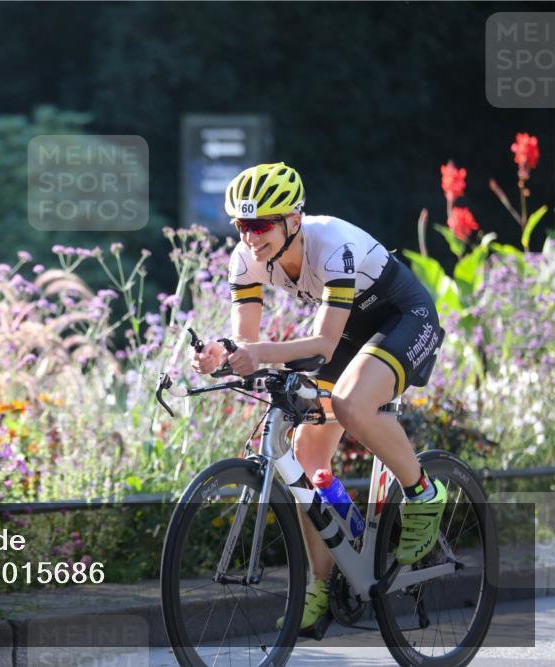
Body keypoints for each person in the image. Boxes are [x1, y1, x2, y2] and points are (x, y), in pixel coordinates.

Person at [191, 162, 447, 631]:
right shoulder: (245, 258)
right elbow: (244, 337)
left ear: (294, 218)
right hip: (349, 331)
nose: (251, 236)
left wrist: (254, 353)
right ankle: (323, 585)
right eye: (243, 225)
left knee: (350, 404)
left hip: (401, 317)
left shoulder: (332, 245)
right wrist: (220, 355)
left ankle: (424, 492)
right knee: (306, 458)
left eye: (262, 224)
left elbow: (324, 346)